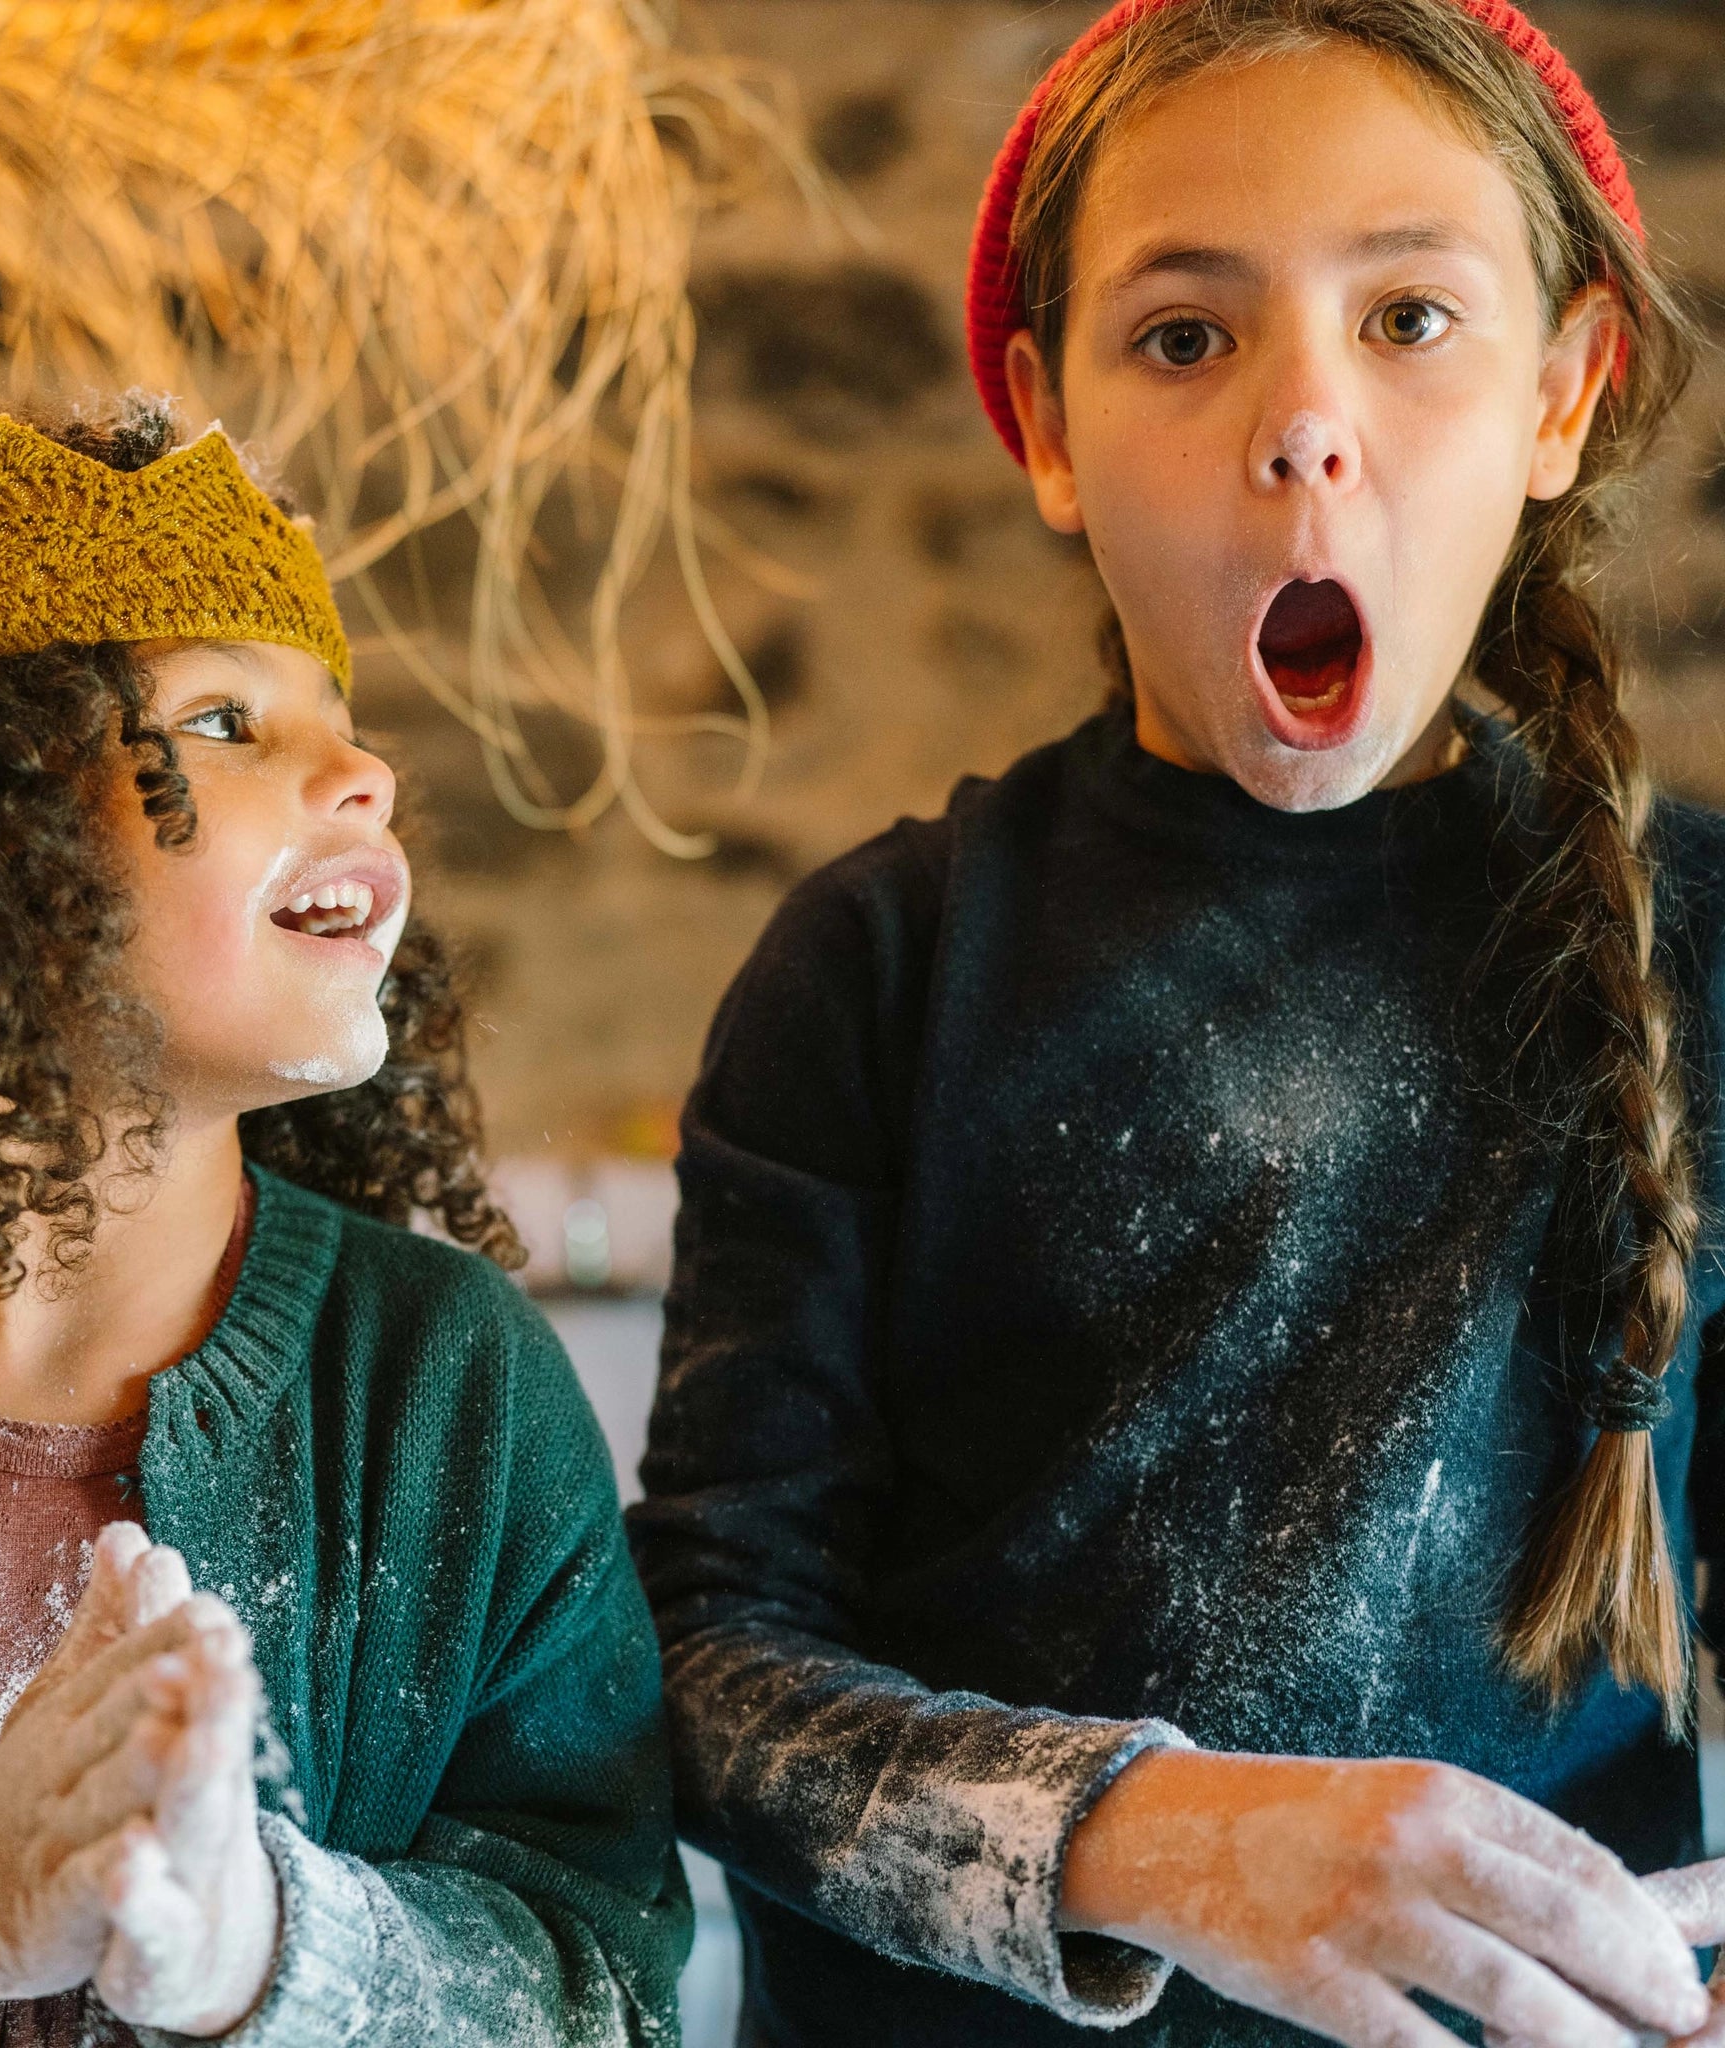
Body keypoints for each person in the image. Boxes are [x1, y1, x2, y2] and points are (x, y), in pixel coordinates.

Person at [625, 2, 1725, 2043]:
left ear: (1563, 393)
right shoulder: (872, 968)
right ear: (1044, 424)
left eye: (1407, 318)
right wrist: (1157, 1838)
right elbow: (702, 1671)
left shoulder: (1708, 956)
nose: (1303, 426)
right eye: (1186, 336)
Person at [0, 400, 689, 2046]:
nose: (361, 776)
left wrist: (264, 1950)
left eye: (344, 724)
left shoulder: (452, 1389)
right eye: (221, 719)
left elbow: (602, 1991)